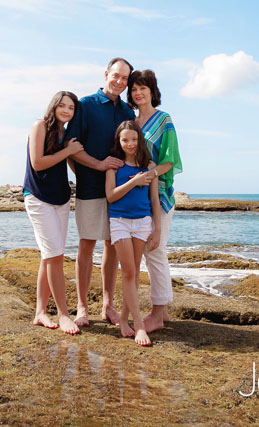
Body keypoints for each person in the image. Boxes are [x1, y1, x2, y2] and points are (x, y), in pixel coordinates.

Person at [65, 58, 135, 326]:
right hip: (91, 188)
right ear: (106, 74)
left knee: (113, 246)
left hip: (119, 190)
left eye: (124, 78)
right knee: (87, 244)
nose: (119, 81)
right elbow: (72, 147)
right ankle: (82, 307)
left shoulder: (128, 112)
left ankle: (108, 305)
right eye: (116, 75)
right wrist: (97, 165)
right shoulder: (86, 105)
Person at [23, 91, 84, 335]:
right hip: (38, 197)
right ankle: (63, 314)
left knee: (48, 256)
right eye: (62, 106)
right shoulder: (40, 126)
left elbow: (73, 165)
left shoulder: (66, 134)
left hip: (61, 199)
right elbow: (38, 163)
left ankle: (40, 312)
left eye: (71, 108)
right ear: (54, 106)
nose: (66, 111)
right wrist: (67, 151)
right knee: (56, 256)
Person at [128, 69, 182, 333]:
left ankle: (158, 314)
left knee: (155, 250)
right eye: (134, 89)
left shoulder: (164, 120)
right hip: (137, 193)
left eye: (143, 88)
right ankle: (163, 310)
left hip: (158, 192)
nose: (138, 93)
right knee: (148, 253)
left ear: (152, 91)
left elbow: (171, 160)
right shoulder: (132, 121)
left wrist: (151, 173)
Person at [105, 120, 161, 346]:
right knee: (128, 272)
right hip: (119, 222)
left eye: (134, 139)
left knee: (135, 272)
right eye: (125, 140)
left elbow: (154, 200)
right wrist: (134, 182)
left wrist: (156, 229)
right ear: (119, 141)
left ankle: (125, 319)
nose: (130, 144)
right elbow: (111, 196)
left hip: (143, 223)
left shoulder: (149, 165)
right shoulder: (114, 166)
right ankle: (139, 326)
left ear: (140, 140)